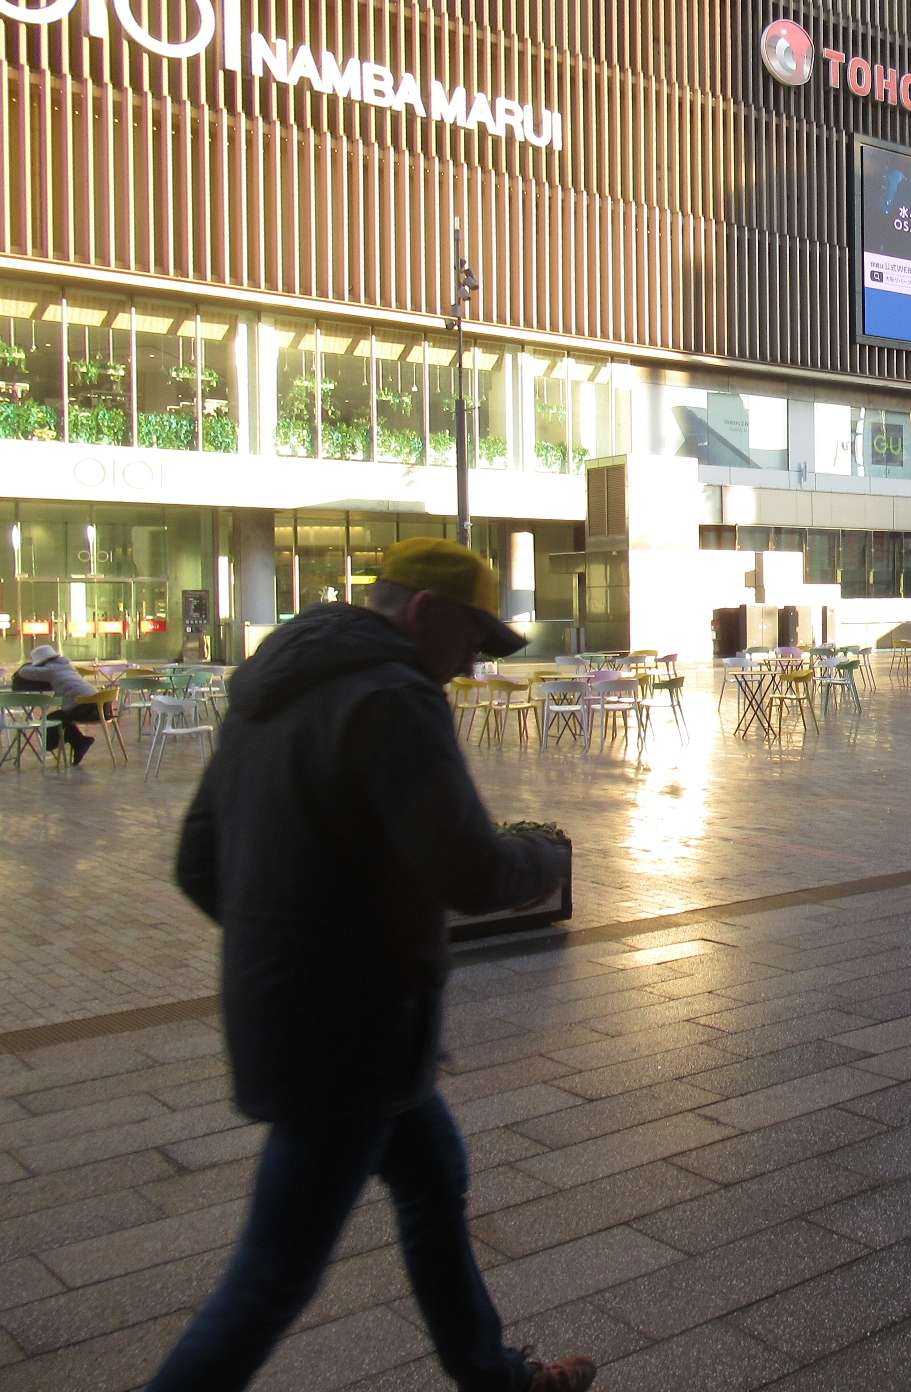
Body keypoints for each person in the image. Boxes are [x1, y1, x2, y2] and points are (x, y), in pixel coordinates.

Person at [151, 539, 594, 1392]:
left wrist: (288, 952)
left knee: (435, 1183)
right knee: (272, 1275)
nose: (470, 665)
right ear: (424, 615)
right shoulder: (394, 697)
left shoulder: (270, 690)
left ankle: (495, 1377)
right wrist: (545, 856)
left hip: (333, 1024)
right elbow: (471, 871)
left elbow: (198, 863)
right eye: (471, 639)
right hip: (349, 1040)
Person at [10, 642, 96, 764]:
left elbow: (23, 672)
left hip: (85, 708)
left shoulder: (50, 670)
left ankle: (75, 742)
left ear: (41, 662)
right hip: (101, 706)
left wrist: (33, 665)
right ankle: (79, 741)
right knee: (61, 718)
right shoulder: (67, 665)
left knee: (52, 719)